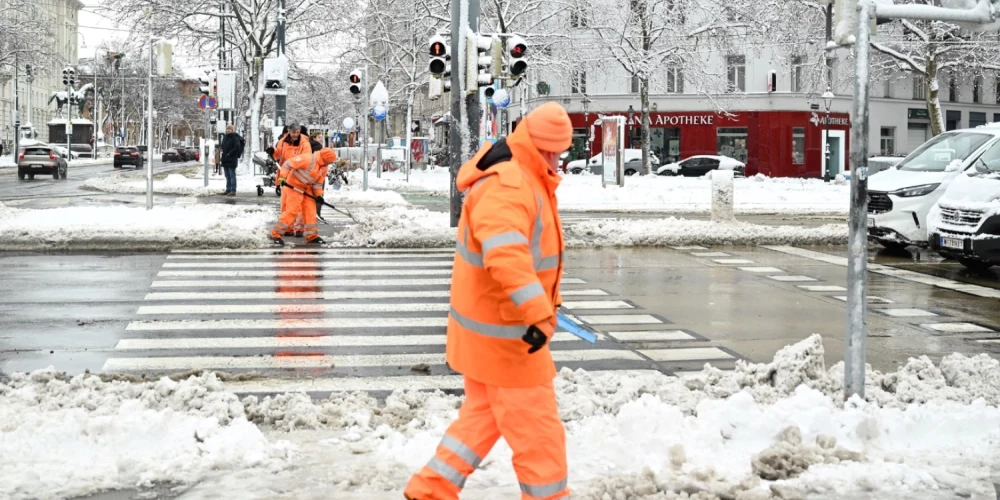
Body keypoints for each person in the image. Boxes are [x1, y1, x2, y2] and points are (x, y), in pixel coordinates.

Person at [403, 102, 572, 500]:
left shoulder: (522, 174)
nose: (558, 160)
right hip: (510, 336)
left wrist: (548, 305)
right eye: (554, 151)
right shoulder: (510, 184)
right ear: (540, 146)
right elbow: (507, 256)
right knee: (539, 433)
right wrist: (538, 311)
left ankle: (431, 489)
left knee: (481, 419)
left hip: (492, 331)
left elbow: (531, 256)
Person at [270, 147, 338, 246]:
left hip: (307, 189)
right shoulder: (307, 159)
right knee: (292, 211)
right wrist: (283, 177)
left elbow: (318, 183)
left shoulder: (323, 166)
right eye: (328, 162)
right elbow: (287, 164)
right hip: (294, 186)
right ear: (324, 158)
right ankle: (276, 234)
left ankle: (312, 236)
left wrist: (318, 195)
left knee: (310, 211)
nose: (329, 164)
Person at [274, 122, 311, 237]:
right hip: (285, 176)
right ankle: (287, 228)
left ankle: (299, 228)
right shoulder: (283, 141)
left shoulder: (304, 142)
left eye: (297, 132)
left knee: (297, 204)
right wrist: (272, 152)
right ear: (288, 132)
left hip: (298, 176)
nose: (296, 135)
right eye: (294, 132)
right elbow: (277, 155)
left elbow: (306, 158)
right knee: (285, 203)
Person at [219, 125, 244, 196]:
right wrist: (221, 148)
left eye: (230, 129)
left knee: (232, 175)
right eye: (227, 129)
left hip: (232, 159)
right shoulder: (225, 137)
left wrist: (230, 153)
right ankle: (228, 189)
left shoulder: (235, 137)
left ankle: (233, 190)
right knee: (227, 175)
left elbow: (237, 147)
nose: (228, 130)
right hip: (225, 158)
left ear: (232, 130)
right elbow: (223, 146)